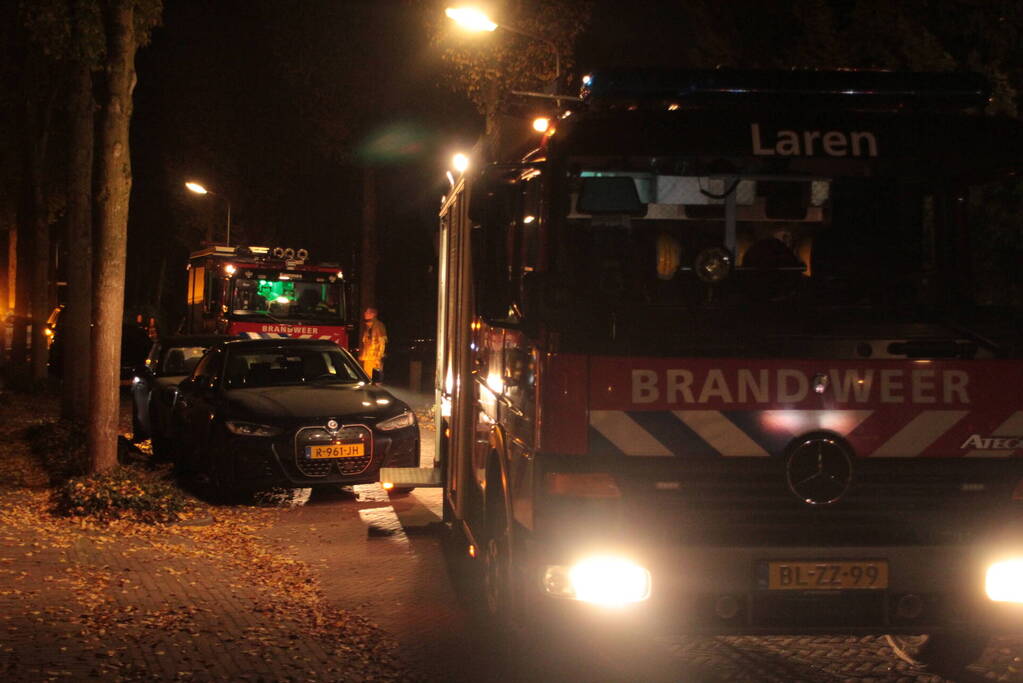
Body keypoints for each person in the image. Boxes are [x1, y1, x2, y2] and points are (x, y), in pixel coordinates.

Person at [359, 307, 387, 378]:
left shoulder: (378, 325)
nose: (365, 314)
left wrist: (379, 358)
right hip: (368, 359)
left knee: (375, 379)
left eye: (367, 312)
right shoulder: (368, 327)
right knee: (368, 378)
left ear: (373, 314)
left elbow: (382, 342)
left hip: (375, 359)